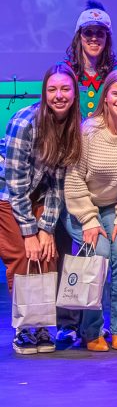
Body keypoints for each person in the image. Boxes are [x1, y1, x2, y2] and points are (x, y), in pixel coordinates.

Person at [63, 70, 117, 352]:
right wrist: (89, 220)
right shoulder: (88, 132)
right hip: (83, 208)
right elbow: (74, 178)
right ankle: (91, 330)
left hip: (116, 208)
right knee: (98, 255)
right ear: (106, 96)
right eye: (116, 93)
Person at [0, 63, 81, 355]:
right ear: (44, 92)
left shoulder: (72, 126)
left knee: (48, 252)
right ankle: (25, 328)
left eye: (65, 89)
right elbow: (14, 184)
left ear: (74, 92)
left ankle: (43, 324)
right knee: (23, 254)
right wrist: (29, 232)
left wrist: (46, 228)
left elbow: (59, 183)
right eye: (52, 89)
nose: (59, 95)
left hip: (41, 194)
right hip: (8, 195)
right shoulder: (25, 123)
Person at [64, 2, 117, 118]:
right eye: (88, 32)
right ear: (79, 36)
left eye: (100, 34)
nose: (94, 38)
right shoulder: (64, 70)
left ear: (107, 38)